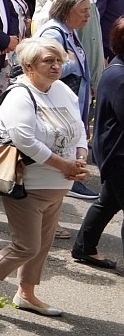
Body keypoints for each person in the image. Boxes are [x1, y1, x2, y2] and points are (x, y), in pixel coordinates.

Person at [0, 38, 89, 316]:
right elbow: (23, 139)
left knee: (42, 246)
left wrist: (81, 158)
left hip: (59, 185)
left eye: (59, 60)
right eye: (48, 61)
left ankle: (26, 293)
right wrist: (64, 164)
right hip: (27, 183)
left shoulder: (62, 90)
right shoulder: (19, 95)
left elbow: (79, 127)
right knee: (27, 245)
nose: (56, 66)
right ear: (28, 66)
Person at [72, 16, 124, 270]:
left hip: (114, 152)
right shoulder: (119, 76)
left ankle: (84, 247)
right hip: (118, 155)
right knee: (109, 201)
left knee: (108, 202)